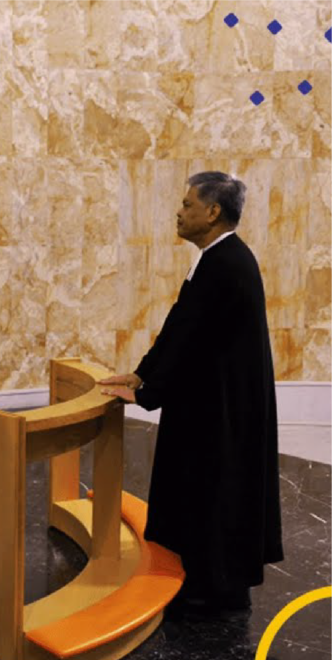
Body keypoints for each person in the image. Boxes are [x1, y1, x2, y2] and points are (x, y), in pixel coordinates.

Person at [99, 171, 283, 614]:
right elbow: (181, 322)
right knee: (207, 484)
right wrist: (142, 375)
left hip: (221, 407)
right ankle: (206, 577)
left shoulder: (226, 262)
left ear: (213, 212)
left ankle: (214, 589)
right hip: (214, 400)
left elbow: (192, 339)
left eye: (187, 204)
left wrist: (148, 394)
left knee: (216, 486)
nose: (179, 212)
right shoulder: (219, 257)